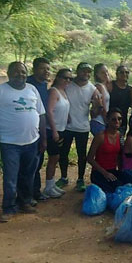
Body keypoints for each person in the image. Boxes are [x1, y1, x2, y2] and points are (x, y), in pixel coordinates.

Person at [0, 62, 46, 222]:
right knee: (11, 177)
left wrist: (43, 139)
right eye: (16, 72)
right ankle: (8, 207)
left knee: (28, 175)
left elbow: (41, 115)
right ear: (8, 73)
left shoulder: (32, 90)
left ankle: (24, 202)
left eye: (23, 72)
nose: (20, 75)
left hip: (32, 141)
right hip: (10, 143)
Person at [58, 62, 100, 192]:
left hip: (83, 127)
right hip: (67, 126)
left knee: (82, 155)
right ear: (77, 71)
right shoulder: (68, 85)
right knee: (63, 153)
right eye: (83, 71)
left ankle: (80, 179)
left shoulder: (92, 89)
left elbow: (94, 113)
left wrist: (97, 106)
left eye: (88, 72)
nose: (86, 74)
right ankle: (64, 177)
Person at [43, 68, 72, 198]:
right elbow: (49, 111)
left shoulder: (63, 92)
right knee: (53, 158)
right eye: (65, 78)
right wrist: (54, 130)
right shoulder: (54, 91)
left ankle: (51, 184)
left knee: (57, 157)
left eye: (70, 78)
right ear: (58, 78)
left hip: (62, 129)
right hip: (52, 130)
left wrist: (68, 118)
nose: (67, 80)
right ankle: (48, 187)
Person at [26, 57, 51, 202]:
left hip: (41, 129)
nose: (46, 71)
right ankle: (26, 195)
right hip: (27, 132)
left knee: (37, 162)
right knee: (29, 164)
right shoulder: (27, 84)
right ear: (34, 69)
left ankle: (35, 192)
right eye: (43, 68)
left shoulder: (44, 85)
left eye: (48, 68)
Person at [86, 108, 126, 193]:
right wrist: (105, 173)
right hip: (99, 172)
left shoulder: (120, 135)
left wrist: (120, 171)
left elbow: (119, 155)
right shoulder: (100, 136)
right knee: (115, 190)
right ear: (107, 120)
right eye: (113, 119)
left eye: (119, 119)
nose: (117, 121)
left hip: (113, 171)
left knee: (129, 184)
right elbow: (89, 158)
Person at [108, 65, 132, 136]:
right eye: (121, 72)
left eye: (126, 72)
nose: (124, 74)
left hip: (122, 122)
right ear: (117, 74)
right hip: (110, 121)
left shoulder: (130, 89)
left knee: (119, 144)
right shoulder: (111, 85)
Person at [90, 63, 111, 136]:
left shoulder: (104, 86)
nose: (105, 74)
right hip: (99, 122)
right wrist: (107, 122)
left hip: (102, 121)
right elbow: (103, 107)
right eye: (102, 72)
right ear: (97, 74)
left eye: (106, 71)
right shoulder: (99, 86)